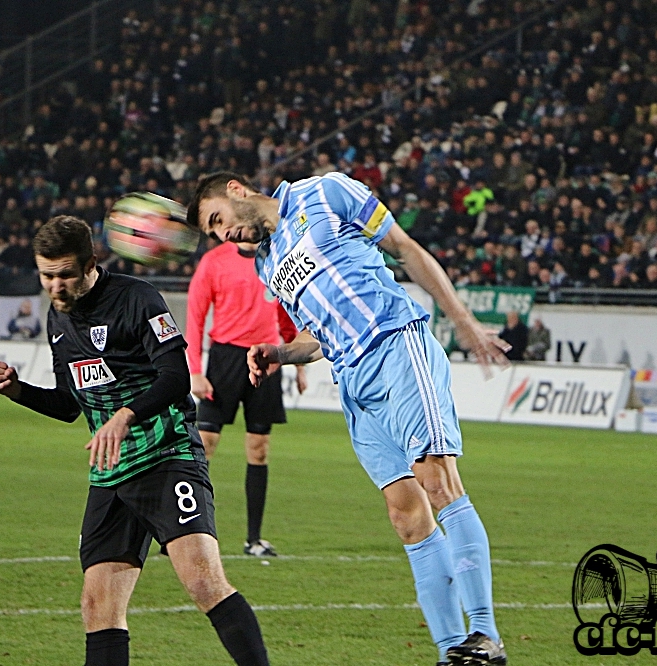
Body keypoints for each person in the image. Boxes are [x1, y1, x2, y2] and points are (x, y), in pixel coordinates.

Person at [189, 171, 511, 666]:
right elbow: (317, 335)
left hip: (396, 345)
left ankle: (486, 634)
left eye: (218, 220)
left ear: (235, 190)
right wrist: (282, 351)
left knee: (437, 480)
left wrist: (463, 322)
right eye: (213, 234)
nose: (223, 234)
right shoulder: (266, 265)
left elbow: (404, 247)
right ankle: (454, 653)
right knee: (406, 516)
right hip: (353, 381)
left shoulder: (324, 191)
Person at [0, 216, 269, 666]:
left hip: (167, 456)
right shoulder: (57, 319)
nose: (55, 286)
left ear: (90, 264)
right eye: (47, 275)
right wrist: (17, 390)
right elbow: (67, 404)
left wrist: (125, 415)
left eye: (64, 275)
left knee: (203, 582)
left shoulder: (137, 299)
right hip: (110, 473)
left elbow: (177, 378)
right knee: (98, 605)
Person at [186, 239, 307, 557]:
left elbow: (285, 315)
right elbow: (196, 317)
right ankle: (188, 534)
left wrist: (299, 363)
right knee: (204, 445)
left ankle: (253, 540)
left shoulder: (276, 258)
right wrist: (196, 370)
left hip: (267, 360)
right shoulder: (214, 261)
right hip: (224, 359)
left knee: (259, 449)